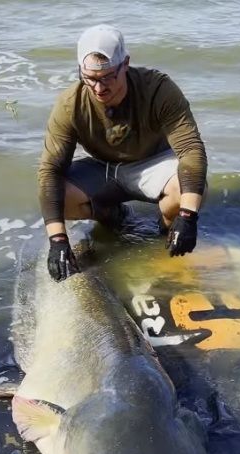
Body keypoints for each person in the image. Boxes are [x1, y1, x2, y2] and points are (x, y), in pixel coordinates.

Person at [38, 24, 208, 281]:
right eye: (90, 78)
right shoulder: (69, 104)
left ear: (125, 64)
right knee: (59, 197)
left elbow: (191, 150)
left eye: (107, 77)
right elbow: (50, 171)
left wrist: (188, 217)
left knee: (191, 192)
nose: (98, 88)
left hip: (155, 164)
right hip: (104, 168)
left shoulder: (159, 89)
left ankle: (164, 229)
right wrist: (58, 240)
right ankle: (114, 216)